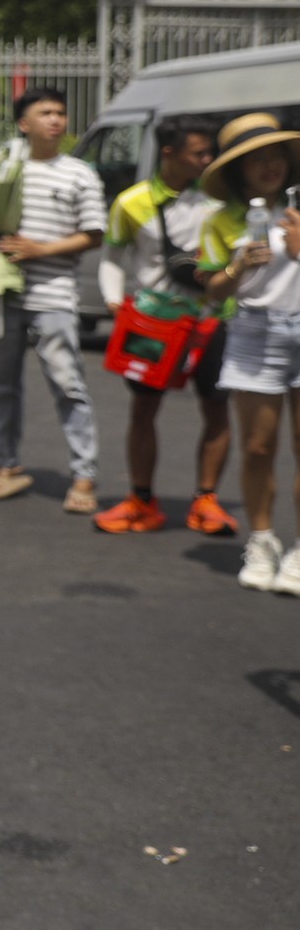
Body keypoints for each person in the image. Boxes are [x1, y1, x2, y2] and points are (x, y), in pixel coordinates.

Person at [95, 118, 235, 535]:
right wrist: (115, 303)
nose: (208, 160)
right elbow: (111, 257)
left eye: (210, 152)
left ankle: (206, 501)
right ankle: (141, 501)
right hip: (152, 323)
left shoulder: (219, 202)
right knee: (143, 409)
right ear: (169, 153)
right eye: (199, 153)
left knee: (216, 408)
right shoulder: (131, 202)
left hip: (211, 320)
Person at [0, 87, 106, 511]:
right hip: (4, 295)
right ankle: (6, 467)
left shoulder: (79, 174)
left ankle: (84, 477)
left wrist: (40, 250)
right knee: (2, 385)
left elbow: (93, 234)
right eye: (45, 112)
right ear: (23, 123)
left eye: (61, 112)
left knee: (68, 384)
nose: (55, 119)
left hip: (54, 296)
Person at [196, 114, 300, 590]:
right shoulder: (221, 221)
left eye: (275, 156)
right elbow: (212, 292)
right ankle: (262, 539)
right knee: (259, 446)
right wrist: (237, 267)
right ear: (239, 170)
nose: (268, 165)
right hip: (254, 332)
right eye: (256, 159)